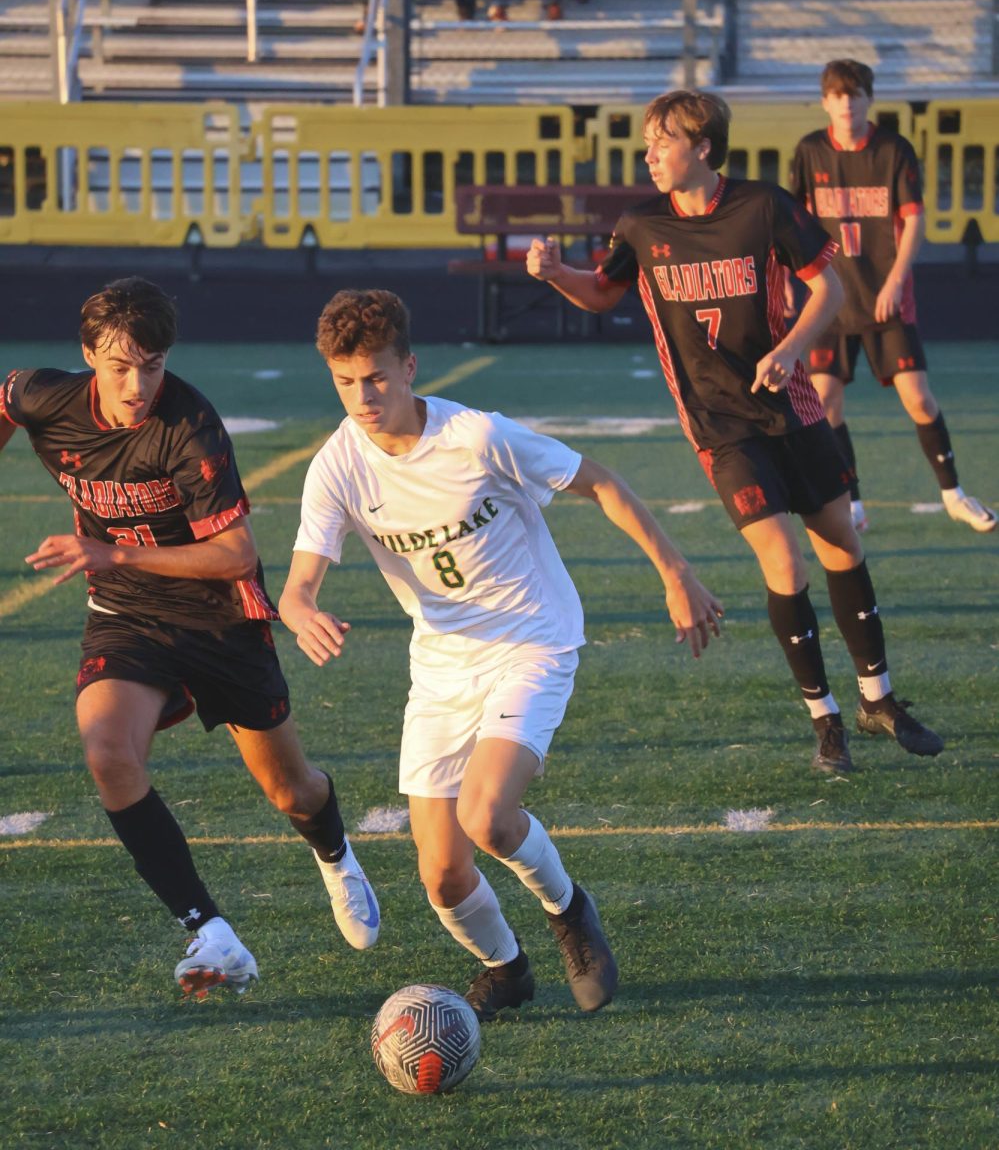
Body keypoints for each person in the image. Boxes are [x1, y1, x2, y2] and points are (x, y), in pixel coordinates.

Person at [278, 288, 722, 1021]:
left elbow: (600, 481)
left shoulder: (477, 438)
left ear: (410, 367)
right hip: (442, 666)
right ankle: (507, 970)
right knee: (443, 876)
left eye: (377, 377)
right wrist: (301, 613)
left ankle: (569, 910)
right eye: (345, 380)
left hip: (531, 641)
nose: (363, 396)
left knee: (487, 815)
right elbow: (297, 587)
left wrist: (676, 573)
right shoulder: (336, 467)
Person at [525, 88, 944, 773]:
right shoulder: (639, 224)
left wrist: (789, 351)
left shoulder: (763, 206)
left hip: (792, 405)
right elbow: (601, 292)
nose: (649, 154)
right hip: (719, 423)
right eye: (647, 143)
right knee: (783, 561)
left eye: (662, 142)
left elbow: (829, 290)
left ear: (702, 147)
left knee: (840, 544)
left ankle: (878, 699)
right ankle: (825, 718)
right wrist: (554, 274)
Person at [0, 277, 379, 999]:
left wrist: (113, 551)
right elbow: (4, 401)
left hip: (217, 615)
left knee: (290, 791)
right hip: (126, 612)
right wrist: (113, 567)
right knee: (108, 752)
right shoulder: (44, 395)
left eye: (152, 363)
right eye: (118, 366)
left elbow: (236, 554)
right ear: (87, 357)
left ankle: (334, 854)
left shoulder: (187, 424)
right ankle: (209, 929)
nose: (137, 383)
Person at [789, 59, 995, 535]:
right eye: (837, 95)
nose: (846, 102)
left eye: (855, 93)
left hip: (884, 300)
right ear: (824, 102)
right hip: (832, 301)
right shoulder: (809, 152)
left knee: (919, 400)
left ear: (869, 99)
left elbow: (915, 221)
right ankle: (854, 503)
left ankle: (954, 495)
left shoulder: (894, 149)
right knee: (825, 401)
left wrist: (895, 282)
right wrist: (791, 280)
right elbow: (794, 223)